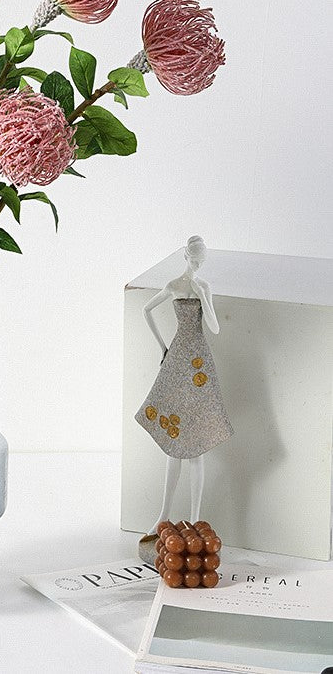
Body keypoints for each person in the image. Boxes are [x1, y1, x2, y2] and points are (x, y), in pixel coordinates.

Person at [135, 236, 233, 559]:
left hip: (198, 364)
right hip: (179, 361)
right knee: (173, 443)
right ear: (187, 257)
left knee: (197, 447)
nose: (197, 265)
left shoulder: (202, 286)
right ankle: (163, 514)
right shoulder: (174, 285)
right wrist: (162, 346)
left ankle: (193, 518)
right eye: (195, 259)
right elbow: (147, 309)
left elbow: (215, 329)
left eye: (200, 261)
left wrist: (205, 296)